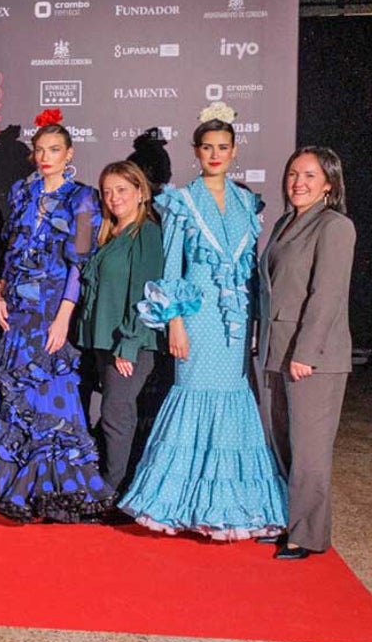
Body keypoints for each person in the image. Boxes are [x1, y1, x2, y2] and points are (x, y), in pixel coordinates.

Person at [121, 103, 287, 539]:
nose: (215, 154)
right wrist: (174, 321)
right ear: (196, 151)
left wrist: (252, 323)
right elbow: (170, 268)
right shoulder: (181, 201)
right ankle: (179, 503)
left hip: (235, 324)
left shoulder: (247, 202)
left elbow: (251, 270)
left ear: (234, 152)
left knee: (234, 397)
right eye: (208, 147)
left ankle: (231, 506)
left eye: (223, 147)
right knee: (193, 395)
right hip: (196, 320)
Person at [0, 109, 112, 522]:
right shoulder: (21, 192)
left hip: (52, 311)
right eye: (39, 150)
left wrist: (63, 316)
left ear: (69, 152)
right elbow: (7, 249)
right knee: (13, 398)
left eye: (54, 150)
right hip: (16, 313)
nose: (45, 157)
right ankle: (13, 490)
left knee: (53, 399)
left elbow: (80, 262)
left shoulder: (83, 198)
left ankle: (56, 492)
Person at [258, 147, 355, 559]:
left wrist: (307, 352)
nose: (298, 182)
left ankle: (308, 535)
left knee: (310, 449)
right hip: (274, 351)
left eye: (310, 176)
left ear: (329, 184)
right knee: (281, 443)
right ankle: (288, 520)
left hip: (311, 358)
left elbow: (327, 296)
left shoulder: (334, 226)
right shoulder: (284, 223)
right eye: (293, 174)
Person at [74, 161, 164, 494]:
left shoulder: (147, 233)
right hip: (102, 341)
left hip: (129, 344)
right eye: (107, 192)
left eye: (122, 190)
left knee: (116, 415)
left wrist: (129, 344)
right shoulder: (108, 235)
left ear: (141, 192)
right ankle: (111, 483)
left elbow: (148, 290)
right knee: (111, 414)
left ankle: (116, 490)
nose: (114, 198)